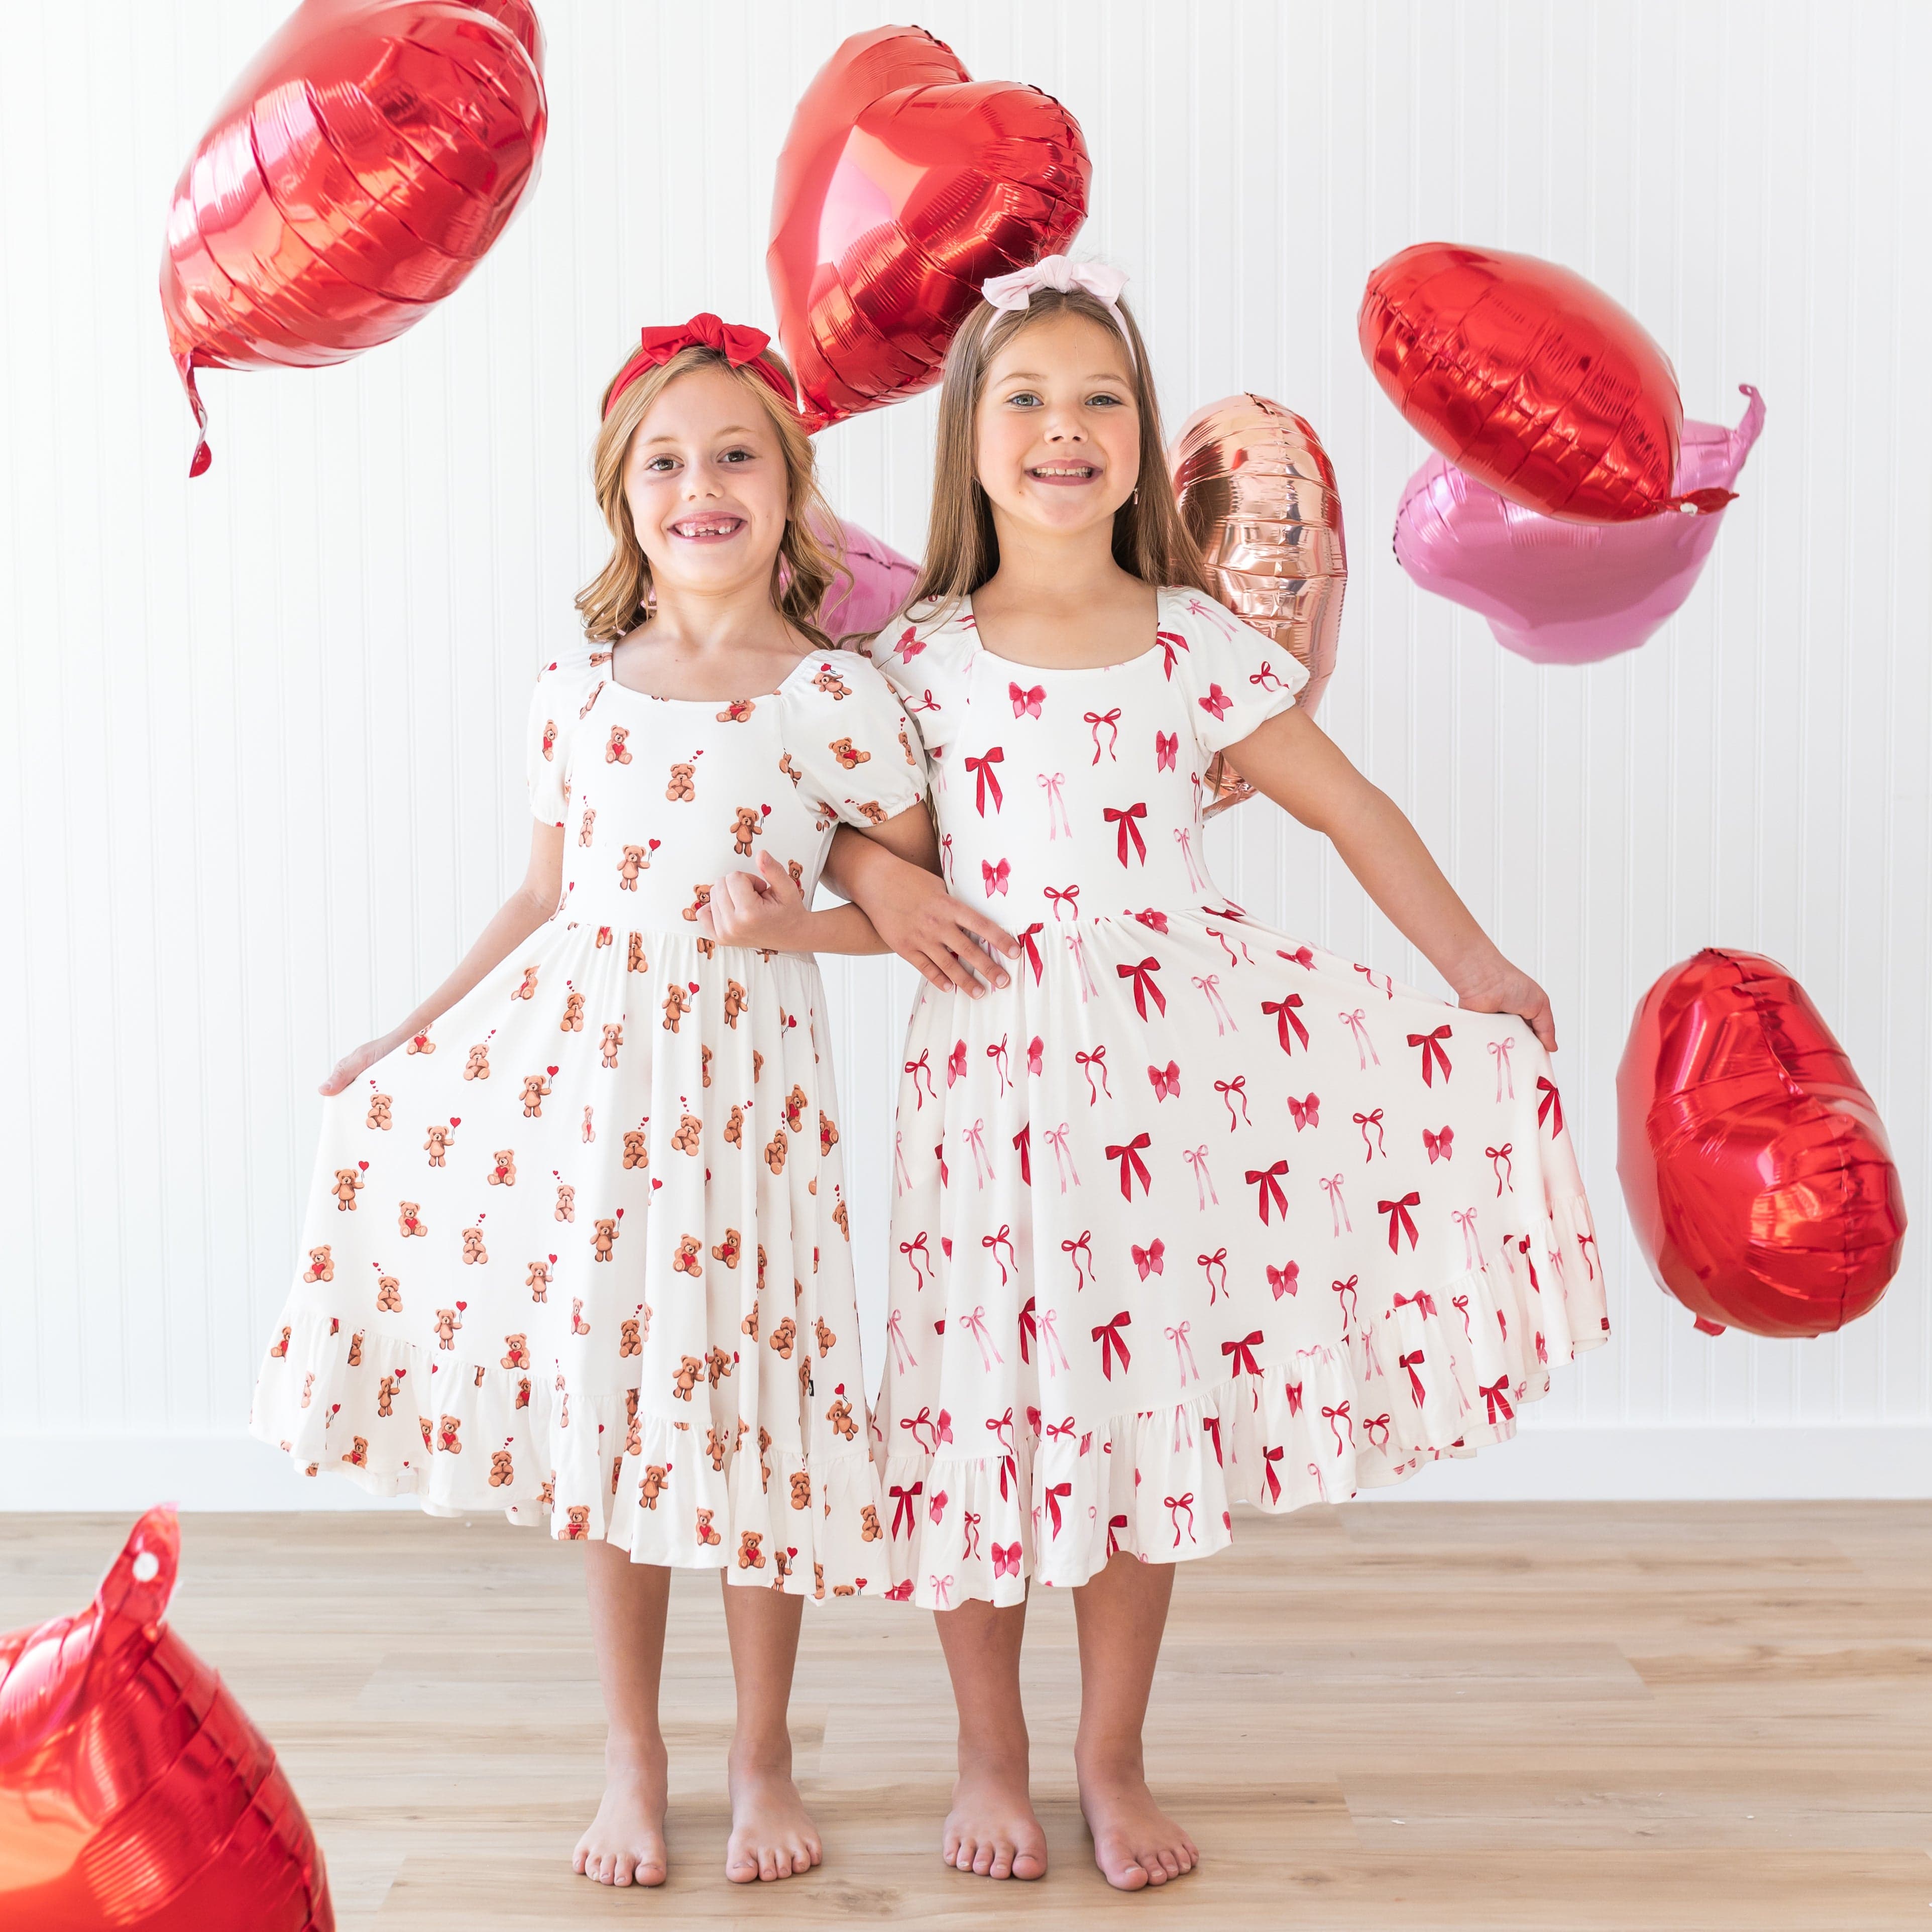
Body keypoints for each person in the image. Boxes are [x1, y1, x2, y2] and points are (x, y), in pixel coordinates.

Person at [831, 258, 1610, 1891]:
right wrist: (875, 887)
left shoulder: (1189, 644)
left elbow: (1350, 808)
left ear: (1140, 436)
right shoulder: (921, 657)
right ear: (971, 436)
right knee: (981, 1415)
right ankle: (991, 1753)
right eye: (1029, 400)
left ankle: (1110, 1758)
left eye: (1102, 399)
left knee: (1131, 1419)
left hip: (1159, 1100)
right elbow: (873, 856)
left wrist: (1470, 967)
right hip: (982, 1106)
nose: (1067, 429)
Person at [251, 314, 970, 1888]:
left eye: (734, 455)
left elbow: (915, 892)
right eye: (666, 460)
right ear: (620, 493)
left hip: (752, 1106)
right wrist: (411, 1034)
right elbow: (537, 901)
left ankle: (761, 1753)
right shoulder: (574, 693)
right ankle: (632, 1754)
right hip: (603, 1100)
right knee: (618, 1413)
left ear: (790, 489)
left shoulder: (837, 698)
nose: (700, 485)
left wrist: (804, 926)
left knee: (751, 1411)